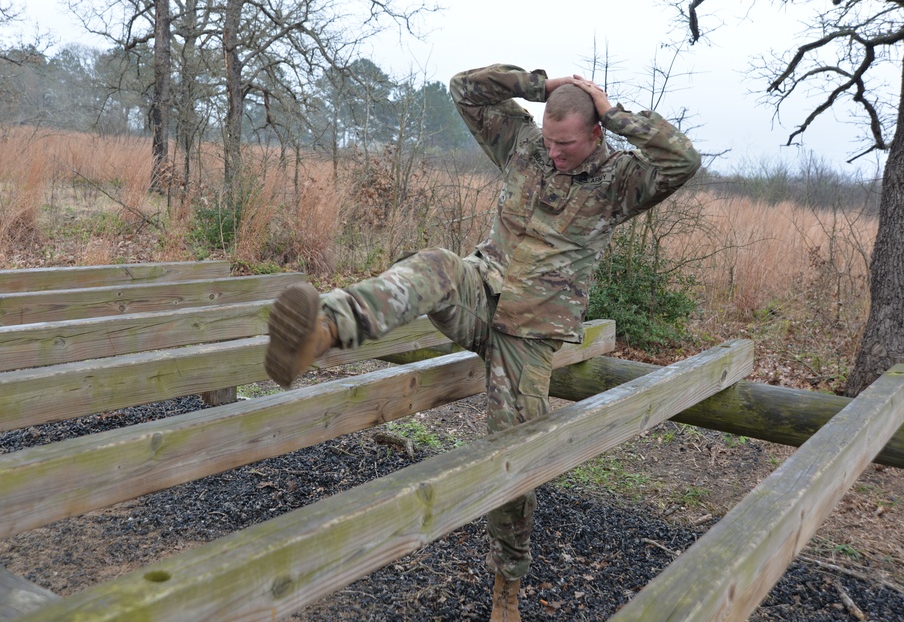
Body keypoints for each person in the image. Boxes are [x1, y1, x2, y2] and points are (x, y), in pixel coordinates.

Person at [264, 63, 701, 621]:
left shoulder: (621, 180)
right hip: (481, 289)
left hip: (531, 334)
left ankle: (507, 590)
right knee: (436, 266)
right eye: (550, 139)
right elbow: (464, 89)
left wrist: (615, 112)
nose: (556, 153)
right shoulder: (524, 145)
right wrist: (535, 86)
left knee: (513, 461)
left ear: (594, 134)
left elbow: (682, 160)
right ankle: (323, 328)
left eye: (566, 143)